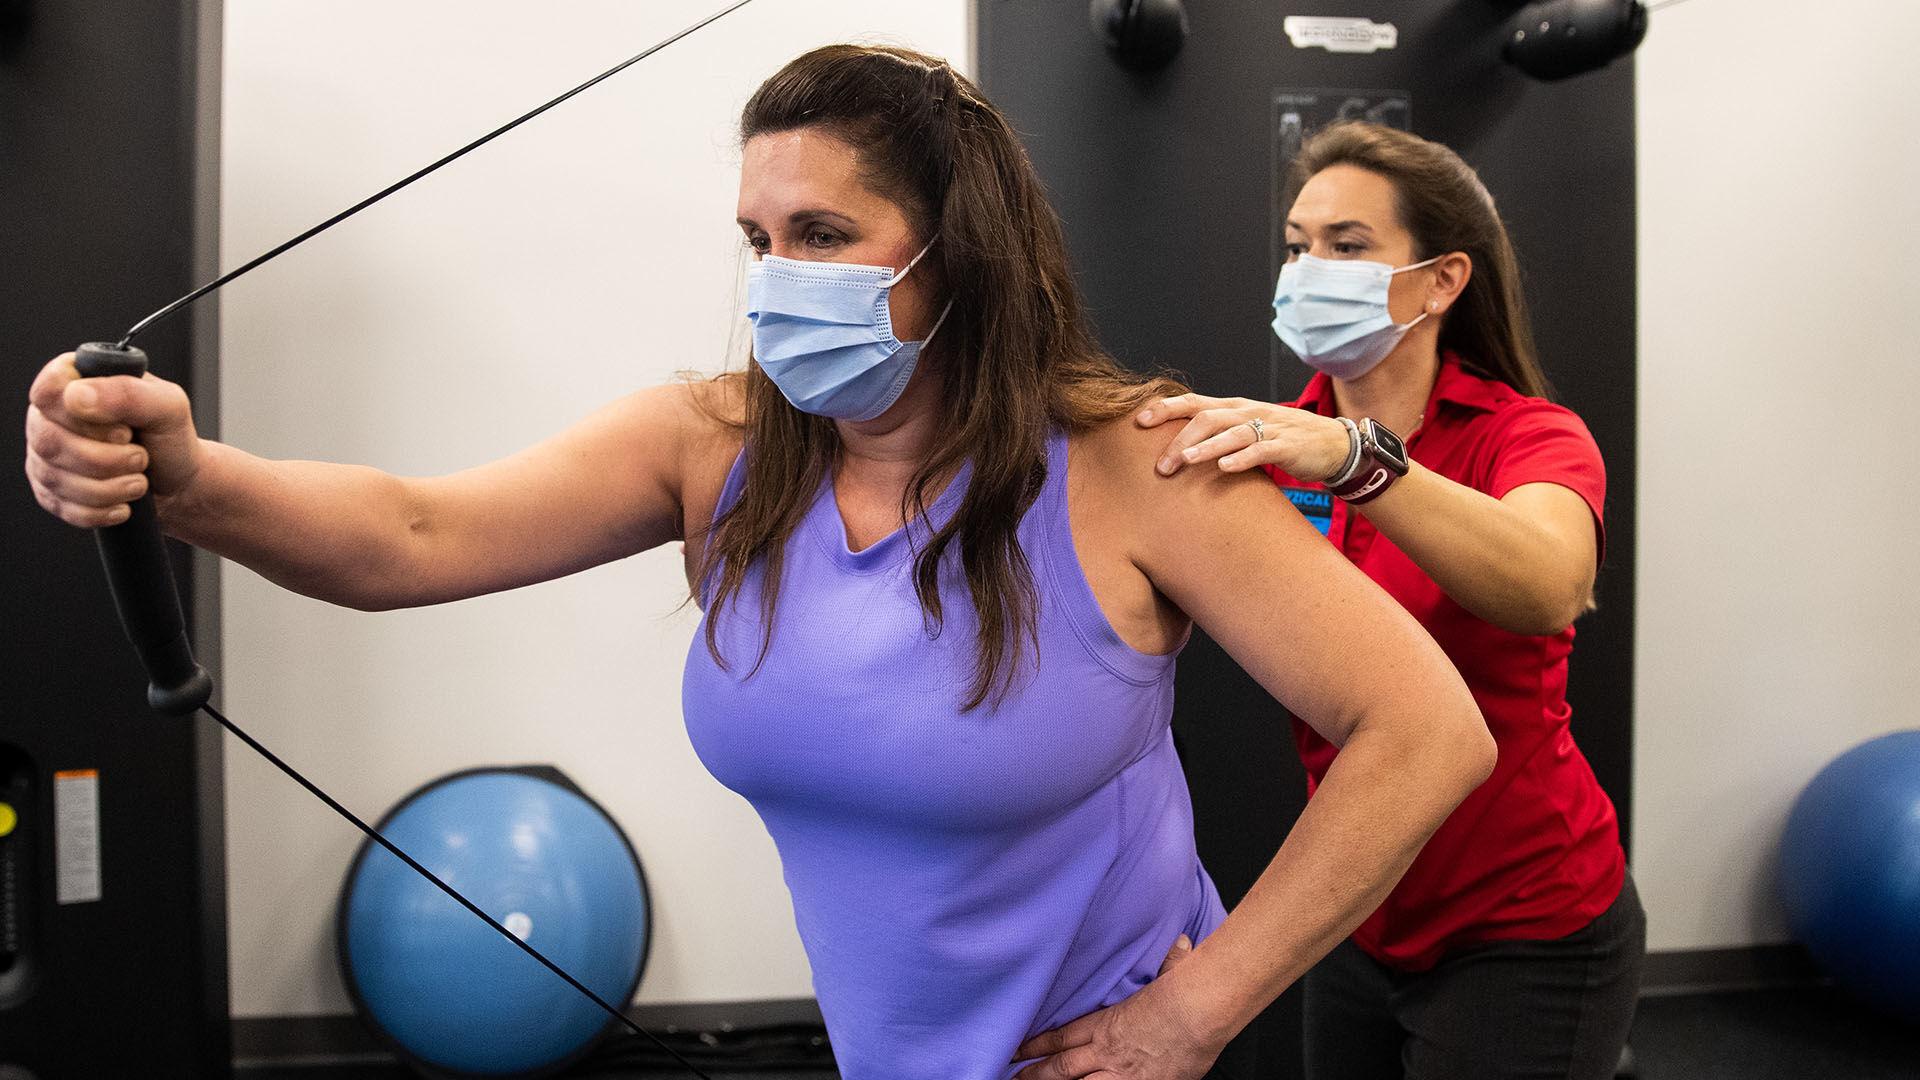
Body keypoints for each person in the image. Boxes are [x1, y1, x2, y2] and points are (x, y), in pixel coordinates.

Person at [23, 49, 1494, 1080]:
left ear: (959, 253)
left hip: (1098, 1057)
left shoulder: (1131, 466)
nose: (777, 275)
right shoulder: (716, 445)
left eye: (824, 233)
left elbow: (1425, 730)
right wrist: (190, 480)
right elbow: (415, 533)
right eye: (757, 238)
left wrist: (1204, 1009)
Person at [1138, 121, 1644, 1080]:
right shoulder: (1282, 440)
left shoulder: (1525, 436)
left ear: (1443, 280)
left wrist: (1356, 459)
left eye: (1348, 246)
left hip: (1526, 922)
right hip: (1362, 909)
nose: (1309, 268)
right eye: (1298, 245)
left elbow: (1551, 586)